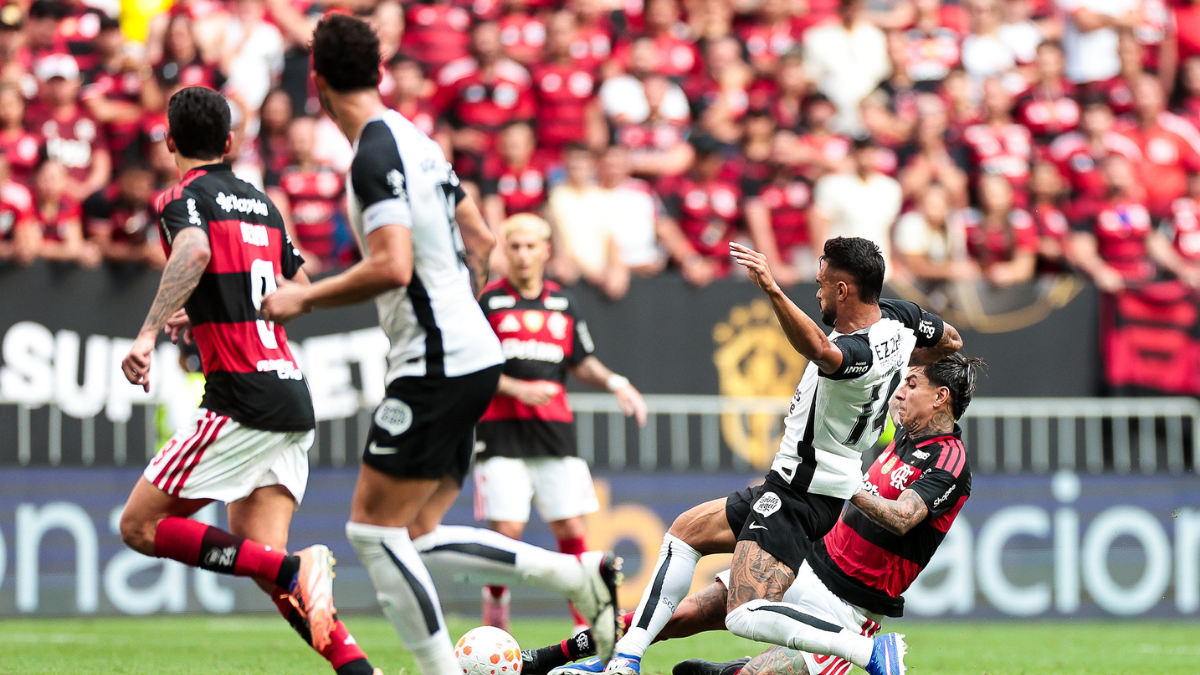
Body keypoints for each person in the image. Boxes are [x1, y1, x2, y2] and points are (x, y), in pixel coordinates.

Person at [259, 15, 622, 675]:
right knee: (413, 533)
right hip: (472, 352)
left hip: (435, 360)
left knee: (371, 530)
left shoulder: (373, 155)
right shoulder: (416, 139)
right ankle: (577, 575)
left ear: (316, 83)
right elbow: (479, 236)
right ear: (380, 71)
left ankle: (453, 663)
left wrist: (301, 299)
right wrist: (459, 311)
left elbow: (393, 265)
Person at [556, 237, 961, 675]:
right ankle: (625, 659)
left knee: (743, 613)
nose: (818, 292)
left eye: (822, 284)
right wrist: (900, 368)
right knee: (685, 533)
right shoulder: (902, 321)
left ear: (844, 290)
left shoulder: (858, 352)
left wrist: (772, 288)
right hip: (794, 483)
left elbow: (820, 350)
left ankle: (868, 653)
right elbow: (952, 340)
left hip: (802, 492)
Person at [116, 86, 385, 675]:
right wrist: (211, 310)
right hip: (288, 389)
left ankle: (294, 568)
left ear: (169, 141)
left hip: (240, 397)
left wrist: (149, 330)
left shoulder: (182, 196)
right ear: (230, 141)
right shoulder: (261, 203)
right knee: (261, 557)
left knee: (138, 526)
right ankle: (358, 669)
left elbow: (193, 250)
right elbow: (298, 288)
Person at [526, 354, 983, 675]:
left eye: (912, 384)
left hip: (848, 608)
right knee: (680, 614)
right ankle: (550, 658)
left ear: (940, 398)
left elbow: (902, 517)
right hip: (805, 563)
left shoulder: (949, 459)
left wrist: (847, 483)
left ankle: (730, 671)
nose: (899, 391)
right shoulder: (903, 435)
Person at [476, 213, 649, 632]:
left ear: (546, 251)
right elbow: (472, 366)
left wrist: (617, 382)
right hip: (501, 433)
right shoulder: (488, 302)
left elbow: (580, 360)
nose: (522, 255)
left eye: (530, 246)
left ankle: (581, 626)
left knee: (571, 527)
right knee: (507, 532)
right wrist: (516, 389)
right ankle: (496, 617)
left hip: (554, 433)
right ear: (506, 252)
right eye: (514, 247)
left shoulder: (563, 302)